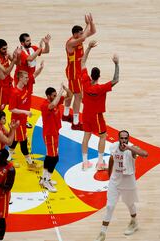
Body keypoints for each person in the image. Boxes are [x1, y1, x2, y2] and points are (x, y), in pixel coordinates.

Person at [95, 130, 148, 241]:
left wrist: (129, 148)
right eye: (122, 138)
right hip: (115, 181)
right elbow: (111, 159)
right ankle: (102, 233)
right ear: (118, 138)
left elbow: (145, 154)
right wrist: (110, 176)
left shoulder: (132, 149)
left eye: (126, 138)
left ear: (128, 139)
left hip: (128, 181)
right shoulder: (114, 147)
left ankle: (134, 222)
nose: (124, 140)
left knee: (130, 204)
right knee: (110, 206)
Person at [80, 40, 120, 171]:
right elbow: (116, 80)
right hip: (97, 116)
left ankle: (85, 163)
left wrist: (89, 48)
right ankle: (100, 162)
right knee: (102, 136)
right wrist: (116, 64)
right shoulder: (101, 88)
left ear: (91, 75)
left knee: (86, 136)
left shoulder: (85, 82)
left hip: (85, 113)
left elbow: (82, 62)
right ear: (99, 76)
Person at [62, 13, 96, 130]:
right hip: (73, 73)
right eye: (80, 33)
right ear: (75, 34)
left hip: (77, 72)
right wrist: (87, 25)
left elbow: (93, 31)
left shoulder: (79, 40)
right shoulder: (71, 43)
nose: (83, 35)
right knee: (78, 96)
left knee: (71, 94)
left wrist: (91, 23)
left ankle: (66, 115)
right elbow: (84, 37)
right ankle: (76, 123)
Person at [40, 84, 72, 192]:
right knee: (54, 158)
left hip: (55, 133)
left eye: (55, 95)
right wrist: (59, 92)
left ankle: (44, 178)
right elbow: (52, 105)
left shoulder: (56, 100)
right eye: (53, 95)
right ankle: (46, 180)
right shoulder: (44, 105)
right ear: (48, 96)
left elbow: (70, 95)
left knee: (50, 156)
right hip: (49, 135)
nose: (56, 97)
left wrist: (65, 88)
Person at [14, 32, 51, 128]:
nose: (30, 42)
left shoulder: (32, 48)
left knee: (27, 100)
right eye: (27, 41)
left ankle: (24, 120)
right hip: (21, 80)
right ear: (22, 43)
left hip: (29, 79)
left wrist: (46, 43)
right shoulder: (20, 52)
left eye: (30, 40)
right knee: (19, 100)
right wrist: (39, 48)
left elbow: (46, 51)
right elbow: (30, 59)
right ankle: (15, 120)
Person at [7, 70, 40, 170]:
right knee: (23, 141)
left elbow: (33, 75)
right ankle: (30, 163)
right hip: (17, 121)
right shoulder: (14, 92)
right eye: (25, 77)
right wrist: (25, 112)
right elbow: (11, 109)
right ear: (20, 78)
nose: (27, 79)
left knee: (16, 140)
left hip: (22, 120)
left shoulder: (25, 87)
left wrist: (41, 68)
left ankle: (7, 158)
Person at [0, 39, 17, 111]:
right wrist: (14, 60)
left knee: (16, 103)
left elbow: (17, 63)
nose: (6, 50)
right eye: (4, 49)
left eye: (6, 48)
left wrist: (17, 55)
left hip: (9, 84)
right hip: (1, 87)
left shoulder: (6, 54)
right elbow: (6, 72)